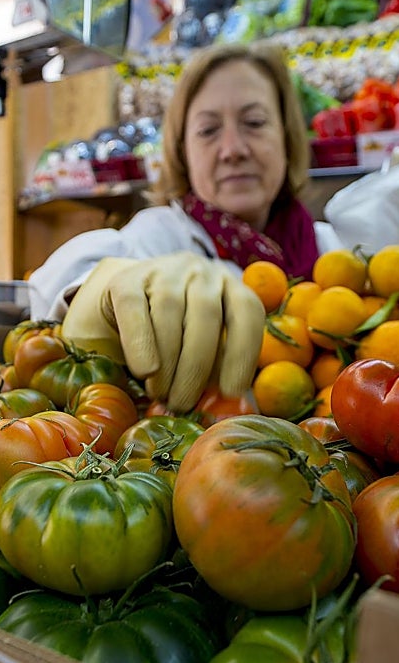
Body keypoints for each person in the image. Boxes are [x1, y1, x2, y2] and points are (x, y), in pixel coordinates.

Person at [28, 43, 344, 412]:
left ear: (288, 139)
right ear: (182, 152)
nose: (232, 149)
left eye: (255, 123)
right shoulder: (159, 236)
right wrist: (106, 289)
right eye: (208, 131)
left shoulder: (326, 247)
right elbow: (52, 292)